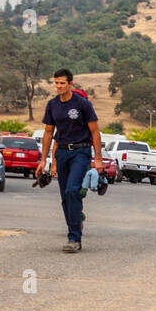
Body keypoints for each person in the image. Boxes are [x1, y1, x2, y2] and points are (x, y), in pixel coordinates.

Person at [37, 68, 102, 253]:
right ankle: (76, 220)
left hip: (80, 152)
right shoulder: (52, 105)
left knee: (73, 190)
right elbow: (49, 132)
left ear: (70, 83)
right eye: (56, 83)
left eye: (62, 83)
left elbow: (95, 131)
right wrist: (43, 160)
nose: (58, 86)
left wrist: (98, 159)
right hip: (62, 153)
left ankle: (74, 238)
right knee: (66, 197)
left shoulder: (82, 104)